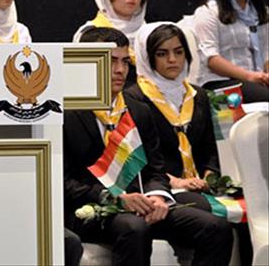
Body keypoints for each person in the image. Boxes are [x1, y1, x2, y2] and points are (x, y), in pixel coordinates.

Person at [64, 27, 233, 266]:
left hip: (142, 205)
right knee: (135, 227)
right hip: (90, 207)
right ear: (87, 63)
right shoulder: (66, 112)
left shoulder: (138, 110)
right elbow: (63, 181)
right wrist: (116, 198)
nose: (120, 70)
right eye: (111, 61)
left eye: (125, 61)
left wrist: (158, 197)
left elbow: (156, 170)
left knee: (216, 227)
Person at [126, 22, 251, 264]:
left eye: (179, 52)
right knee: (213, 220)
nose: (172, 60)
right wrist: (178, 181)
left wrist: (209, 176)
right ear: (147, 57)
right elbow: (138, 159)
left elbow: (210, 149)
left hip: (200, 185)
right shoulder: (134, 99)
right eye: (162, 54)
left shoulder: (198, 95)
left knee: (251, 212)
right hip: (163, 189)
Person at [192, 0, 269, 103]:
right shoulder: (209, 12)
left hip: (257, 80)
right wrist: (249, 76)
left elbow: (267, 51)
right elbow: (211, 59)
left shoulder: (262, 12)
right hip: (220, 84)